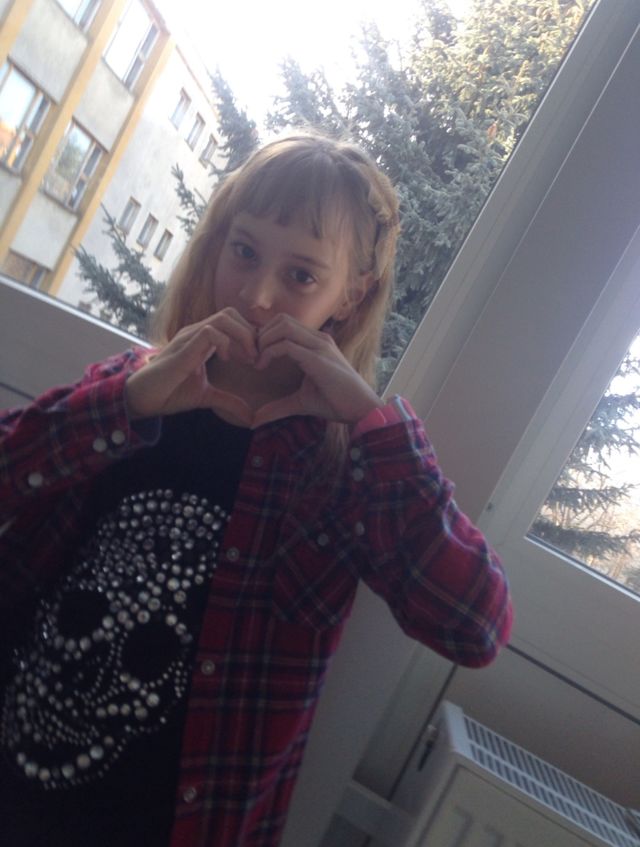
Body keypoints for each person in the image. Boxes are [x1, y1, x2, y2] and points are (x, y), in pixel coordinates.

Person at [0, 133, 512, 847]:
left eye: (301, 275)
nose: (257, 295)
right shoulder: (134, 388)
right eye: (243, 251)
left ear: (351, 294)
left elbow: (474, 625)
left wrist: (371, 422)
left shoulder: (346, 470)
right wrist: (126, 403)